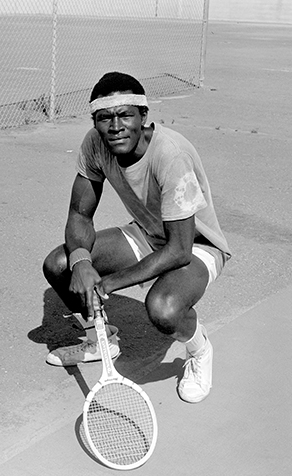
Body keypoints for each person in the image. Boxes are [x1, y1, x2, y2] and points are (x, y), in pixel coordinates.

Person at [42, 72, 231, 403]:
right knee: (61, 264)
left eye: (125, 115)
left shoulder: (171, 155)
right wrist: (82, 262)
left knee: (163, 309)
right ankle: (101, 341)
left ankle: (199, 351)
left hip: (196, 246)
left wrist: (107, 284)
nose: (115, 126)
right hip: (146, 233)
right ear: (95, 121)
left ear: (144, 117)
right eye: (104, 118)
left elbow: (178, 251)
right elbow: (79, 214)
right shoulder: (95, 145)